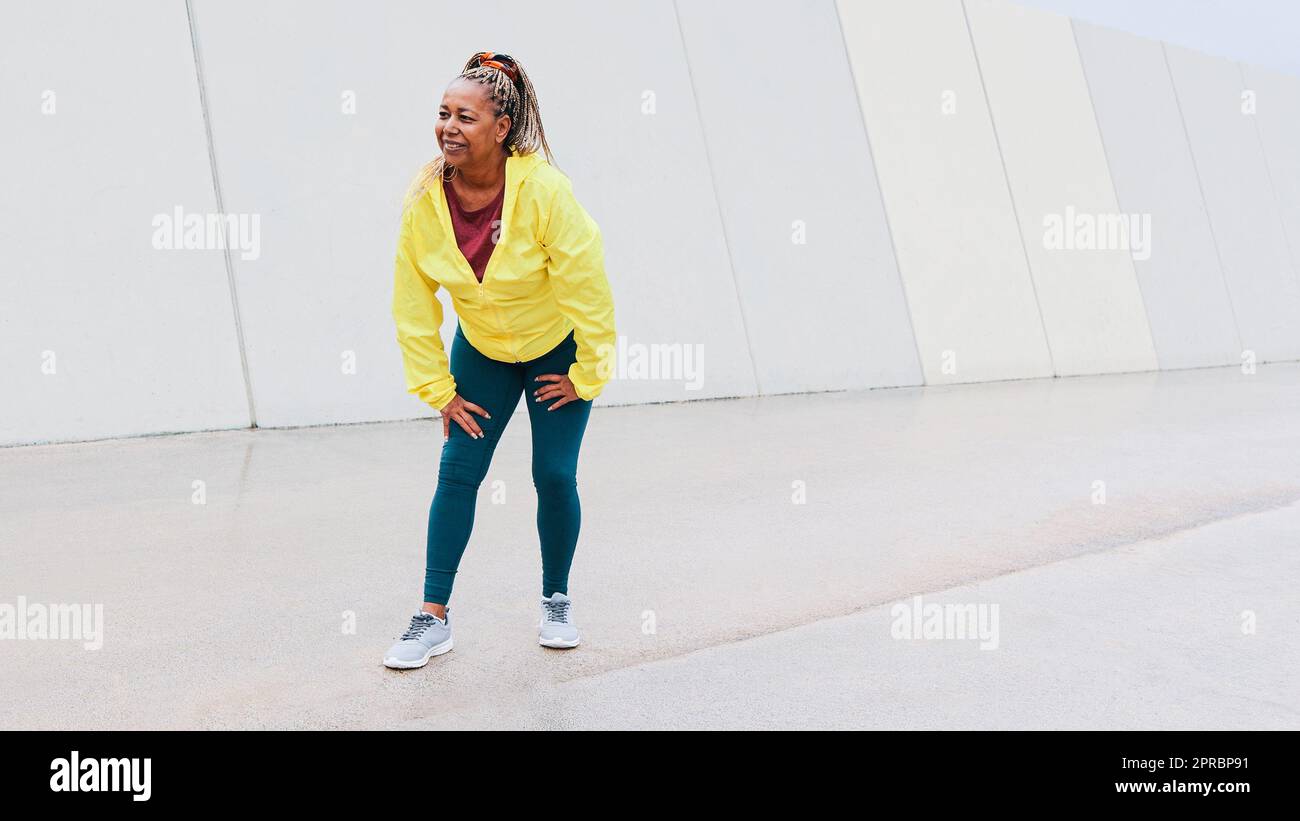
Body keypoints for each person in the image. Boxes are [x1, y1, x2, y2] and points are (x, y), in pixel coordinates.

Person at [383, 52, 616, 669]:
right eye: (443, 115)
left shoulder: (543, 191)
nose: (449, 127)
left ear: (502, 126)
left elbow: (587, 285)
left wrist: (587, 372)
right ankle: (432, 618)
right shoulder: (426, 197)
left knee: (554, 474)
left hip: (553, 351)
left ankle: (557, 599)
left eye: (466, 116)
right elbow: (412, 302)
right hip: (482, 352)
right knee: (457, 473)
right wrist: (438, 389)